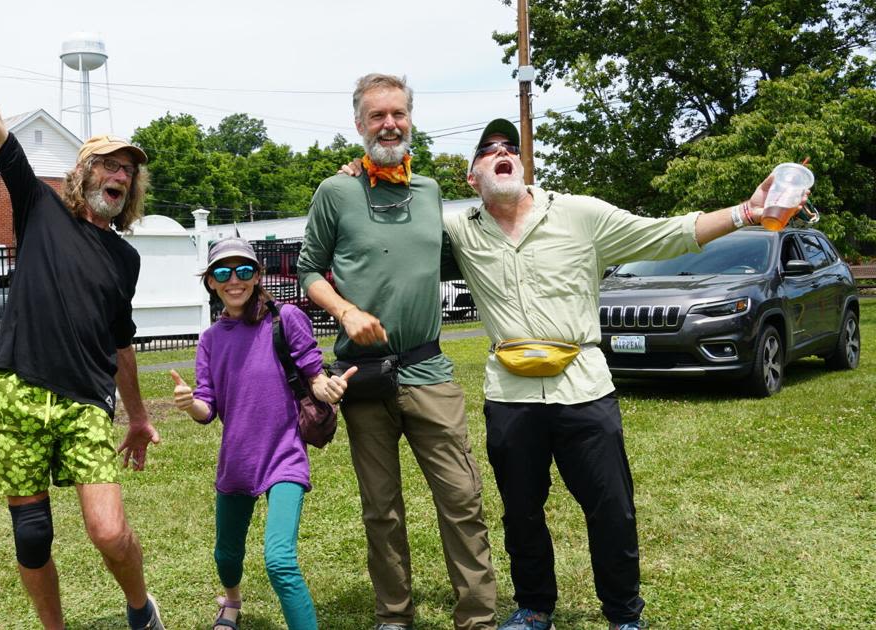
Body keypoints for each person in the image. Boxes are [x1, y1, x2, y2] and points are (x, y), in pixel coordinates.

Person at [445, 118, 788, 630]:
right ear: (473, 179)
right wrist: (359, 176)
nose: (503, 153)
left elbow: (666, 234)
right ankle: (535, 606)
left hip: (584, 387)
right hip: (510, 392)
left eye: (510, 148)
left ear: (522, 165)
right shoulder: (460, 228)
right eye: (488, 150)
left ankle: (625, 614)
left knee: (612, 507)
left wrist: (746, 212)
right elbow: (392, 225)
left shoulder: (579, 214)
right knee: (521, 512)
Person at [0, 12, 164, 630]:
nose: (118, 175)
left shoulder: (125, 256)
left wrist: (141, 415)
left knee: (108, 530)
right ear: (83, 173)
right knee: (33, 535)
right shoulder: (39, 207)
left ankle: (139, 606)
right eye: (108, 165)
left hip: (84, 404)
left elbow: (120, 341)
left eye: (127, 170)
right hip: (15, 392)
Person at [297, 73, 498, 630]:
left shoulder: (431, 192)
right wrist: (346, 312)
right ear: (359, 124)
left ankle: (477, 618)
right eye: (377, 116)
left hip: (430, 370)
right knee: (381, 509)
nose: (389, 124)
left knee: (462, 500)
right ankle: (393, 615)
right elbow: (309, 269)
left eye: (398, 114)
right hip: (364, 379)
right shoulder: (335, 191)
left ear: (411, 119)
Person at [171, 237, 353, 630]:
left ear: (257, 276)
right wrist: (190, 404)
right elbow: (207, 409)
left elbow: (314, 376)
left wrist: (329, 388)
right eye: (223, 272)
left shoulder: (285, 319)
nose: (234, 279)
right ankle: (232, 601)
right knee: (226, 556)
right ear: (211, 283)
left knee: (280, 560)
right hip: (237, 460)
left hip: (284, 456)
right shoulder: (210, 341)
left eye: (244, 270)